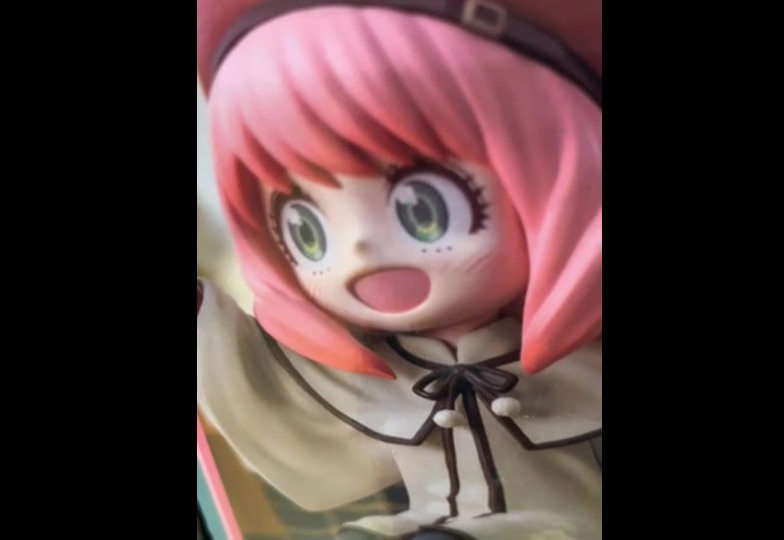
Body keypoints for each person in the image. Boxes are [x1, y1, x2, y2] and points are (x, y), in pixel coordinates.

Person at [197, 1, 602, 538]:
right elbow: (289, 420)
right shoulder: (388, 372)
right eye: (307, 231)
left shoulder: (582, 364)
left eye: (425, 209)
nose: (360, 248)